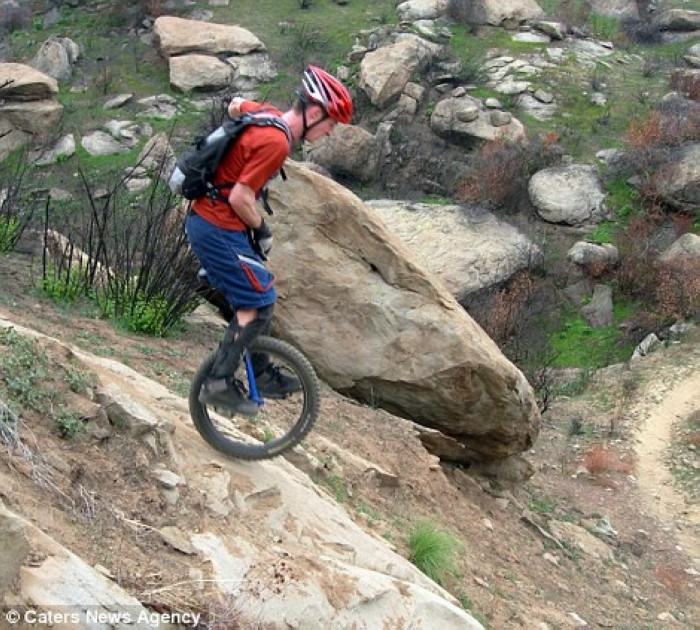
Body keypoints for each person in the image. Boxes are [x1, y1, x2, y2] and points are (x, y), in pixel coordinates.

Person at [185, 65, 353, 415]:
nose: (330, 132)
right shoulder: (276, 141)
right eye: (331, 123)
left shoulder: (269, 116)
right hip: (217, 226)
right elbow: (240, 198)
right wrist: (262, 230)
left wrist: (239, 112)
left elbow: (236, 105)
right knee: (257, 303)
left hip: (213, 222)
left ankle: (260, 371)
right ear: (314, 111)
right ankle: (217, 383)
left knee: (263, 294)